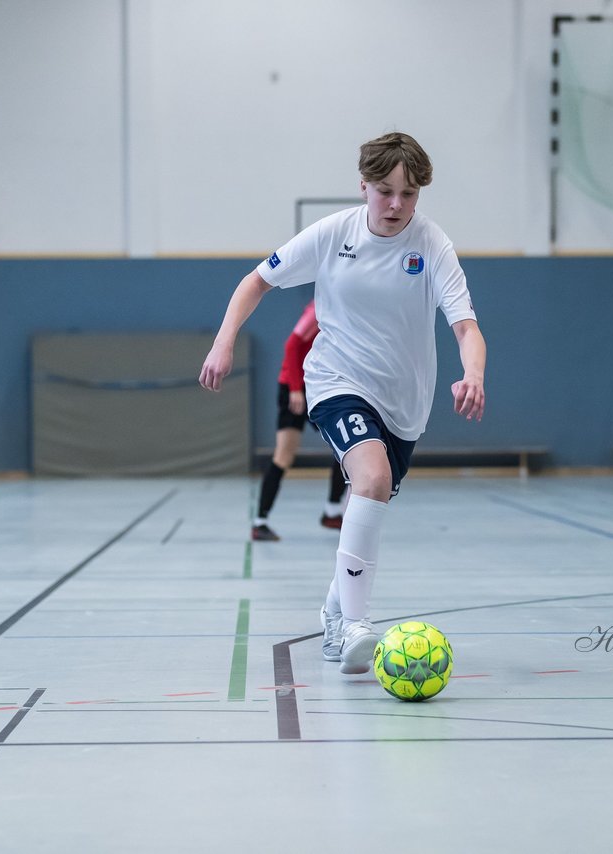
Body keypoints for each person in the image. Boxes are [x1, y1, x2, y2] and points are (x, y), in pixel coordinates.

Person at [200, 131, 486, 675]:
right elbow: (255, 282)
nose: (396, 205)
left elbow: (467, 326)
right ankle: (357, 624)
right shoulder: (334, 235)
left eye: (409, 194)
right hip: (335, 380)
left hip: (406, 402)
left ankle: (335, 612)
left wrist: (473, 372)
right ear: (363, 187)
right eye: (384, 191)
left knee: (370, 505)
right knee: (371, 480)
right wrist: (224, 340)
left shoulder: (432, 245)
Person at [252, 300, 348, 542]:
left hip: (320, 385)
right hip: (294, 387)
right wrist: (296, 389)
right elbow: (292, 345)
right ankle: (260, 522)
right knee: (284, 456)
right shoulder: (319, 308)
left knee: (345, 447)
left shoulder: (345, 308)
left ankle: (332, 511)